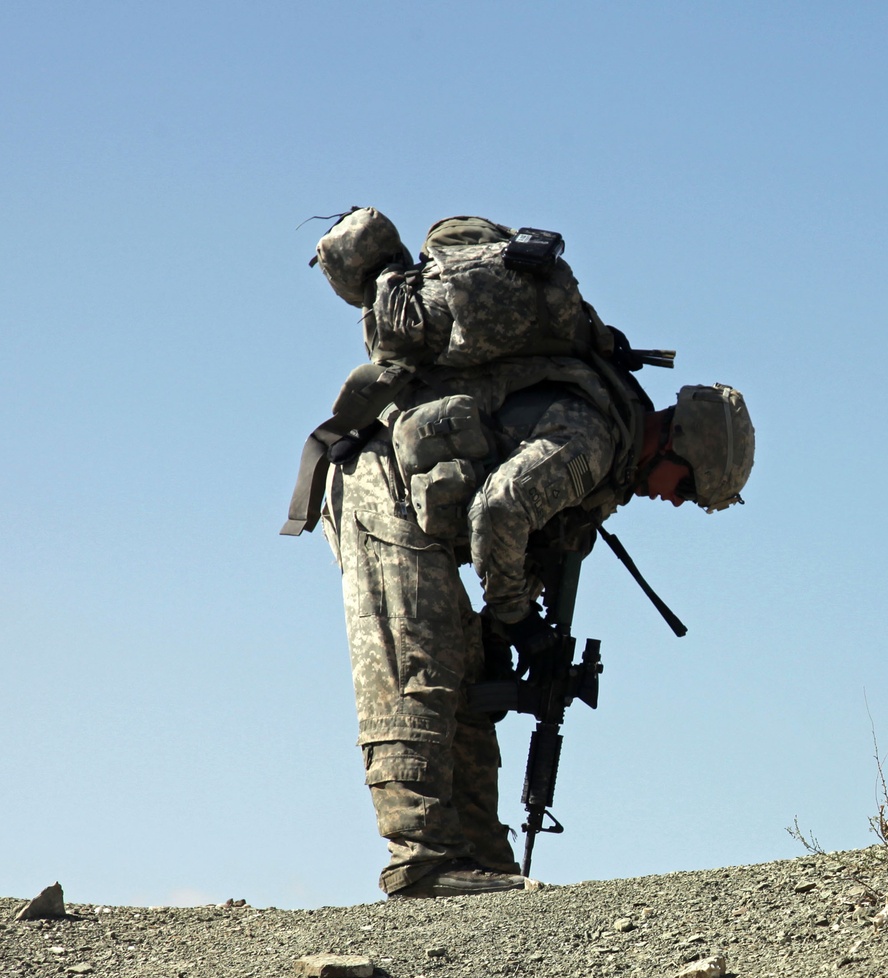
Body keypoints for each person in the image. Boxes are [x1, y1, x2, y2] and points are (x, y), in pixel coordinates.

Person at [286, 209, 755, 900]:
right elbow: (499, 510)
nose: (677, 502)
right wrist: (516, 616)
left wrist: (514, 633)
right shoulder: (593, 441)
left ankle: (477, 854)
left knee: (474, 679)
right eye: (686, 488)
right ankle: (423, 859)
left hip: (418, 501)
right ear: (677, 444)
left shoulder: (607, 449)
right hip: (383, 487)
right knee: (424, 661)